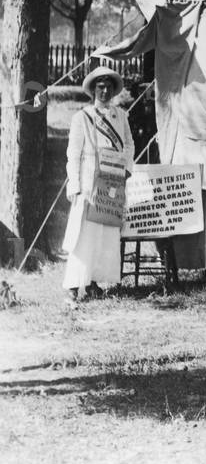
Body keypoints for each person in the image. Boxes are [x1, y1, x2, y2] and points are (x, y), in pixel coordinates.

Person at [63, 67, 135, 306]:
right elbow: (73, 153)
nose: (104, 91)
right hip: (88, 183)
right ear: (93, 89)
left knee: (105, 235)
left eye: (108, 88)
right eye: (100, 87)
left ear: (114, 91)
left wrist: (127, 169)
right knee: (83, 235)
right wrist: (74, 184)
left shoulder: (121, 116)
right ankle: (72, 287)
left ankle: (93, 282)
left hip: (112, 182)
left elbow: (129, 146)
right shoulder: (81, 117)